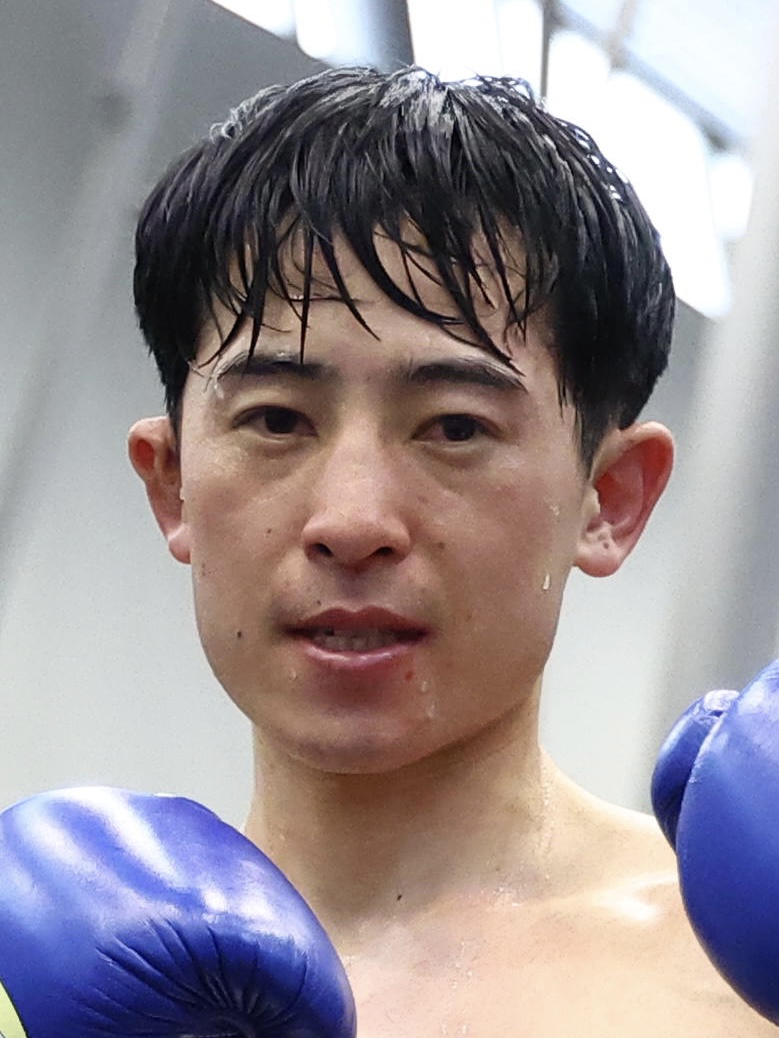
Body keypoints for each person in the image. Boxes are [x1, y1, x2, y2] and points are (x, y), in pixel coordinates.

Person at [126, 66, 773, 1034]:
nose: (351, 521)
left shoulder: (732, 987)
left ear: (608, 498)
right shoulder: (35, 993)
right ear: (171, 482)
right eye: (275, 419)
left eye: (455, 427)